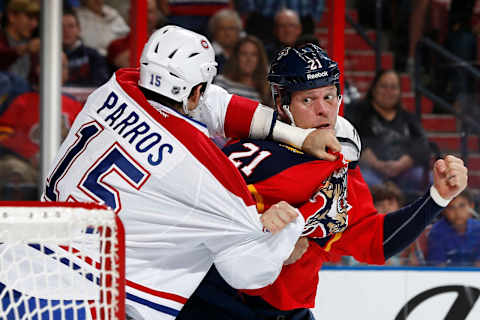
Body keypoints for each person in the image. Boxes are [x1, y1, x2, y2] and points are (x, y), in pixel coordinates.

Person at [40, 26, 341, 320]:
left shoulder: (116, 87)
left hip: (34, 262)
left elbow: (214, 104)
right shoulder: (203, 172)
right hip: (106, 301)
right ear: (196, 91)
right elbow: (248, 272)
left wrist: (300, 137)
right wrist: (296, 223)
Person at [176, 43, 468, 320]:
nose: (323, 109)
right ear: (281, 104)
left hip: (276, 310)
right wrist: (265, 239)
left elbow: (379, 241)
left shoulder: (330, 161)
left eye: (329, 96)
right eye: (308, 99)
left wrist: (437, 198)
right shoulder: (270, 159)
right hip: (221, 303)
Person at [0, 53, 82, 197]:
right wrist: (30, 154)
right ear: (40, 68)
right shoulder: (22, 100)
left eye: (65, 67)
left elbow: (84, 141)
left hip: (64, 170)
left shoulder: (75, 105)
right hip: (27, 166)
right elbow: (3, 136)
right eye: (60, 65)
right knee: (12, 168)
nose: (63, 71)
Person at [345, 69, 432, 195]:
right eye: (384, 86)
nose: (388, 92)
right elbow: (349, 139)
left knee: (432, 181)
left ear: (399, 92)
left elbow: (423, 145)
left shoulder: (408, 118)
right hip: (369, 170)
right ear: (374, 89)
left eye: (393, 87)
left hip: (404, 171)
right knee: (362, 182)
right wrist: (374, 162)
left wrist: (404, 162)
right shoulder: (358, 112)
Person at [427, 189, 480, 267]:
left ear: (471, 206)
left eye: (462, 206)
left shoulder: (478, 229)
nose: (457, 212)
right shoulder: (437, 232)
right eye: (451, 208)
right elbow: (438, 266)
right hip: (447, 277)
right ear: (443, 211)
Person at [214, 35, 272, 105]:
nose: (249, 59)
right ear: (236, 57)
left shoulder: (267, 88)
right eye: (244, 54)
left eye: (254, 54)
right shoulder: (221, 82)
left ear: (259, 59)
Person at [62, 9, 110, 87]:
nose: (66, 31)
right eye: (61, 27)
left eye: (70, 26)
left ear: (79, 29)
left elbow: (102, 84)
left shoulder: (93, 55)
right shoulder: (49, 56)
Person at [0, 0, 40, 81]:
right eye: (30, 17)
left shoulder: (33, 46)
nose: (34, 24)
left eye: (36, 19)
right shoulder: (2, 38)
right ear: (12, 16)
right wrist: (23, 50)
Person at [207, 8, 242, 73]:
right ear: (214, 31)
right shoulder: (207, 54)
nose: (227, 33)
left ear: (238, 31)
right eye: (222, 29)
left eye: (231, 28)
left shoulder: (245, 51)